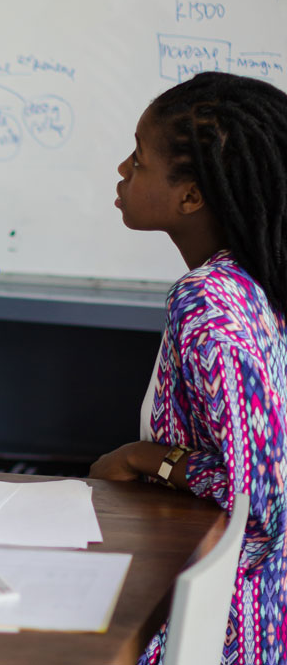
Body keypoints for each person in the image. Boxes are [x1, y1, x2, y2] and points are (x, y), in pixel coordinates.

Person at [90, 72, 287, 664]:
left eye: (140, 159)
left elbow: (261, 500)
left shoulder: (206, 303)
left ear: (192, 195)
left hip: (223, 625)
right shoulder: (254, 280)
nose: (122, 171)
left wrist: (141, 457)